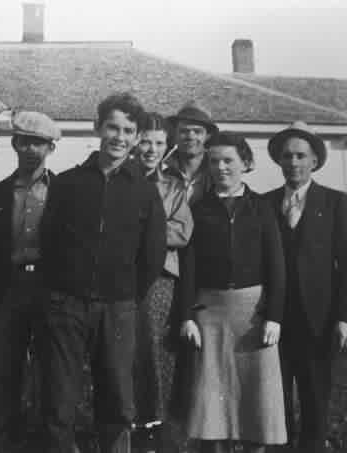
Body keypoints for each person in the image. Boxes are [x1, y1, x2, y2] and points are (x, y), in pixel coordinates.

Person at [38, 92, 166, 453]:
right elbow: (48, 243)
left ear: (137, 137)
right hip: (66, 306)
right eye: (113, 127)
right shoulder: (67, 184)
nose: (120, 137)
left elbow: (152, 255)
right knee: (59, 399)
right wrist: (59, 293)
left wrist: (124, 295)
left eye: (128, 130)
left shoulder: (144, 192)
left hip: (118, 308)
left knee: (116, 400)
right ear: (97, 128)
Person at [179, 131, 287, 453]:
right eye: (214, 161)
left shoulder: (263, 208)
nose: (221, 167)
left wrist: (274, 317)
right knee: (212, 405)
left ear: (245, 163)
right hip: (210, 316)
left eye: (228, 160)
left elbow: (277, 266)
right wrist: (186, 317)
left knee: (257, 404)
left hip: (254, 315)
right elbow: (190, 268)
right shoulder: (198, 209)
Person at [264, 121, 347, 453]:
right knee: (275, 402)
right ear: (278, 160)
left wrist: (345, 317)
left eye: (300, 156)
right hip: (273, 321)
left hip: (317, 320)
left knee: (315, 401)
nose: (293, 162)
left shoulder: (336, 202)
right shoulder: (264, 203)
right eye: (287, 156)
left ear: (315, 161)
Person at [0, 111, 61, 452]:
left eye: (39, 144)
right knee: (5, 374)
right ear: (14, 144)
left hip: (50, 293)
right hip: (8, 292)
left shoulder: (62, 191)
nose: (31, 150)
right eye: (24, 142)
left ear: (50, 148)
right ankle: (5, 443)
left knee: (49, 374)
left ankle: (43, 442)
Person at [131, 112, 193, 450]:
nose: (151, 149)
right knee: (125, 352)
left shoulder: (172, 185)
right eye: (145, 141)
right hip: (122, 280)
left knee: (157, 353)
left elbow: (182, 231)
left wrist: (137, 230)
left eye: (159, 143)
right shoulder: (120, 179)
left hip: (160, 281)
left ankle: (159, 428)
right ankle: (128, 425)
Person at [162, 100, 219, 206]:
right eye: (184, 131)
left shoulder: (218, 171)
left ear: (207, 136)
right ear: (175, 134)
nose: (191, 137)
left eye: (197, 132)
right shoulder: (161, 170)